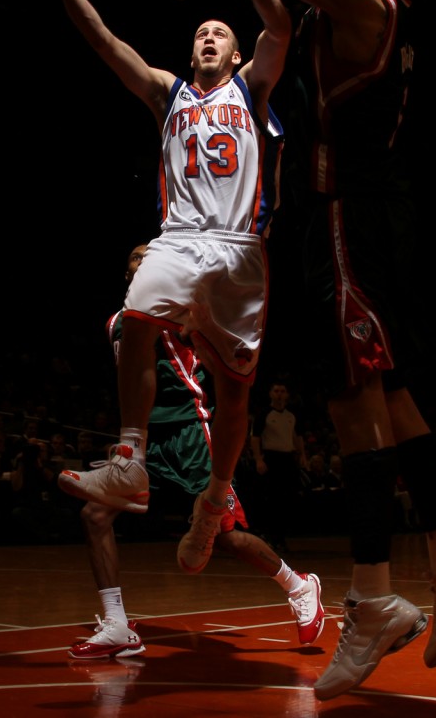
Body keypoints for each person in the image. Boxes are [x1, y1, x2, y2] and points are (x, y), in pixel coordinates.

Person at [222, 0, 436, 698]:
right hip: (377, 214)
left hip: (342, 219)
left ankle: (374, 600)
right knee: (396, 397)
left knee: (353, 408)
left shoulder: (353, 0)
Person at [37, 0, 290, 577]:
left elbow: (279, 24)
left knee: (235, 397)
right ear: (191, 49)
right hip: (179, 237)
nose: (209, 38)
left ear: (235, 53)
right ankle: (129, 459)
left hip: (239, 251)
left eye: (220, 34)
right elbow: (102, 40)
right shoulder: (166, 93)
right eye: (201, 33)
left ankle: (213, 501)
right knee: (136, 315)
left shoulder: (253, 90)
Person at [69, 245, 324, 659]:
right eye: (135, 256)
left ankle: (298, 584)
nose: (141, 259)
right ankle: (117, 623)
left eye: (147, 255)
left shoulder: (177, 307)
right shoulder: (116, 322)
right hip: (145, 439)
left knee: (223, 534)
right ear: (127, 271)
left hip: (189, 430)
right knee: (94, 514)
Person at [250, 376, 308, 552]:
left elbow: (297, 436)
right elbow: (255, 437)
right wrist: (259, 459)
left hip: (288, 459)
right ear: (270, 393)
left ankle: (281, 537)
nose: (279, 394)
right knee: (272, 499)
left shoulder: (292, 416)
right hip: (271, 459)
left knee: (287, 499)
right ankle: (271, 536)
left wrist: (302, 455)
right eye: (276, 391)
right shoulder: (264, 414)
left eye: (282, 391)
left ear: (287, 394)